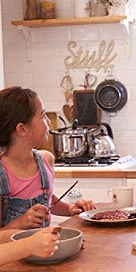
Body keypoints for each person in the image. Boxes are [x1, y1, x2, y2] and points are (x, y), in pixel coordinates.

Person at [0, 86, 95, 230]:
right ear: (22, 129)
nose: (49, 122)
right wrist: (20, 223)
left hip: (44, 250)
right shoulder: (2, 174)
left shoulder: (45, 160)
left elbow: (48, 201)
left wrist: (70, 209)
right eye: (43, 115)